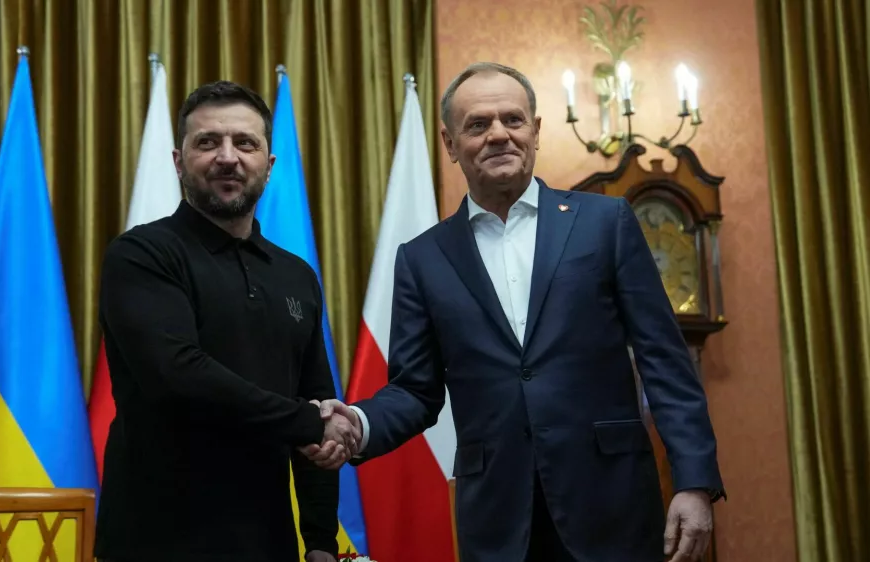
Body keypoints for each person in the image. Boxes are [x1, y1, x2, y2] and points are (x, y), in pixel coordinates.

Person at [304, 62, 726, 562]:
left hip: (612, 506)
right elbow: (415, 391)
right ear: (449, 143)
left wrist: (694, 481)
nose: (499, 135)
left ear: (537, 130)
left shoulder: (604, 223)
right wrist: (356, 421)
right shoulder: (421, 258)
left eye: (513, 119)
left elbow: (665, 361)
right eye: (478, 124)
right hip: (499, 522)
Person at [94, 80, 357, 562]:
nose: (228, 156)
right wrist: (307, 422)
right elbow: (177, 375)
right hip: (154, 541)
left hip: (268, 541)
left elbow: (316, 397)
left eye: (245, 143)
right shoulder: (141, 255)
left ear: (269, 165)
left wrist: (319, 540)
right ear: (179, 161)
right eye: (208, 142)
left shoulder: (296, 276)